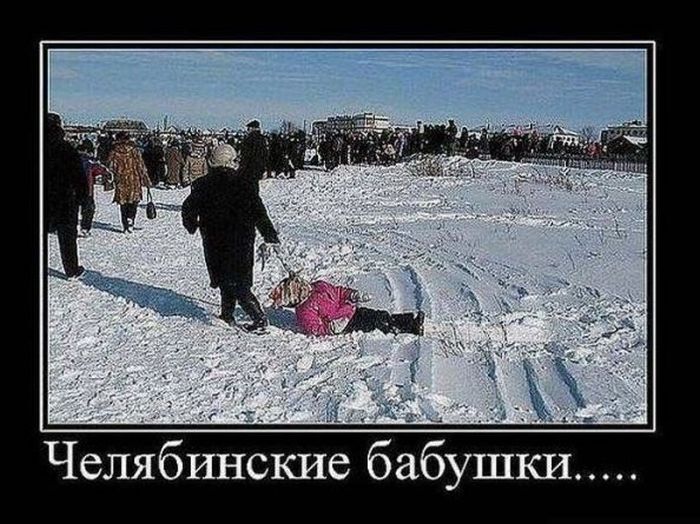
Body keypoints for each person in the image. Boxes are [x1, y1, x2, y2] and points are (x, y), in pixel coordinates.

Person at [181, 144, 280, 331]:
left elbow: (188, 209)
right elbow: (259, 212)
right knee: (236, 278)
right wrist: (269, 234)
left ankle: (259, 319)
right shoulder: (245, 183)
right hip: (242, 239)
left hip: (214, 240)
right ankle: (227, 314)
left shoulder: (202, 184)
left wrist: (192, 225)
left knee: (227, 278)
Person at [269, 274, 425, 337]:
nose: (304, 288)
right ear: (294, 298)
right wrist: (331, 328)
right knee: (376, 323)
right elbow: (314, 328)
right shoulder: (304, 311)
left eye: (301, 285)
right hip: (344, 323)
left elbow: (338, 292)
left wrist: (352, 294)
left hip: (351, 309)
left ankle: (409, 319)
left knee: (379, 315)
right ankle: (409, 328)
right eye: (299, 290)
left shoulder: (319, 286)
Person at [45, 112, 87, 278]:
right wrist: (83, 197)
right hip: (64, 199)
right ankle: (72, 270)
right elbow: (79, 176)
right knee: (67, 236)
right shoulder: (66, 149)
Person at [107, 131, 152, 233]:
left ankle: (125, 225)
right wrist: (146, 179)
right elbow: (141, 166)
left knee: (123, 203)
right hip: (134, 179)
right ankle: (131, 219)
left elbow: (110, 167)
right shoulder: (134, 151)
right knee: (134, 201)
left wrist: (112, 178)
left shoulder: (114, 152)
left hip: (121, 181)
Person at [76, 138, 110, 237]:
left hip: (72, 190)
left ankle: (72, 227)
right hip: (87, 190)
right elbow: (98, 170)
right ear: (86, 151)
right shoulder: (89, 162)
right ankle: (85, 228)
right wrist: (106, 171)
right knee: (88, 210)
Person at [238, 120, 268, 188]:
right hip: (259, 166)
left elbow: (246, 154)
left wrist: (242, 166)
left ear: (253, 128)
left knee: (247, 186)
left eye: (249, 128)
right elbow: (265, 154)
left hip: (249, 167)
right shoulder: (262, 138)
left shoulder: (250, 139)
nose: (247, 130)